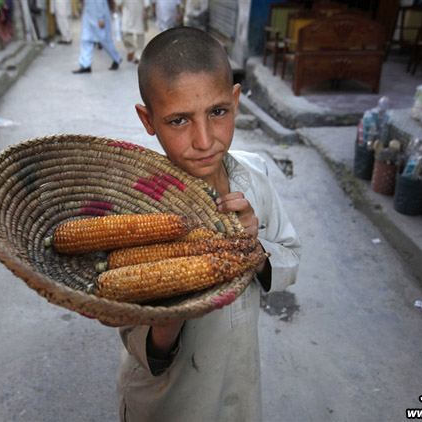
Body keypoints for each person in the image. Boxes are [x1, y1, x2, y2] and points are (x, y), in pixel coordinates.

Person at [116, 27, 302, 421]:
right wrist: (169, 317)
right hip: (170, 400)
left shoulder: (256, 177)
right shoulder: (138, 211)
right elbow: (134, 335)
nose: (204, 141)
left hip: (238, 384)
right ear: (148, 120)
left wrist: (257, 250)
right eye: (179, 120)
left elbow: (291, 256)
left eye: (217, 112)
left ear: (235, 101)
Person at [73, 0, 122, 73]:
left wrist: (101, 18)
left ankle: (116, 58)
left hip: (98, 16)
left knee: (105, 40)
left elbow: (100, 2)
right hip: (88, 14)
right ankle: (85, 65)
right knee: (86, 39)